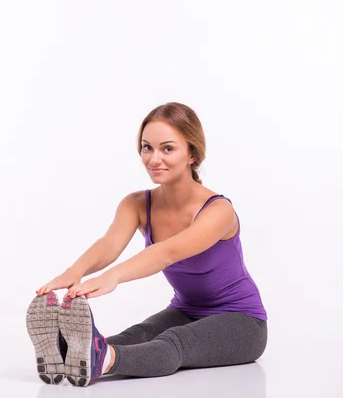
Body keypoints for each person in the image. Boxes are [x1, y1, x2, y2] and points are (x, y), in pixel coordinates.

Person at [25, 102, 268, 387]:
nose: (154, 159)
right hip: (186, 310)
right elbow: (109, 244)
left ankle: (103, 360)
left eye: (167, 148)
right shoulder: (138, 203)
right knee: (138, 335)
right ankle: (68, 355)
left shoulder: (218, 211)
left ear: (192, 153)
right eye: (147, 147)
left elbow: (167, 252)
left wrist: (112, 277)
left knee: (174, 342)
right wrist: (74, 272)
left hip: (242, 323)